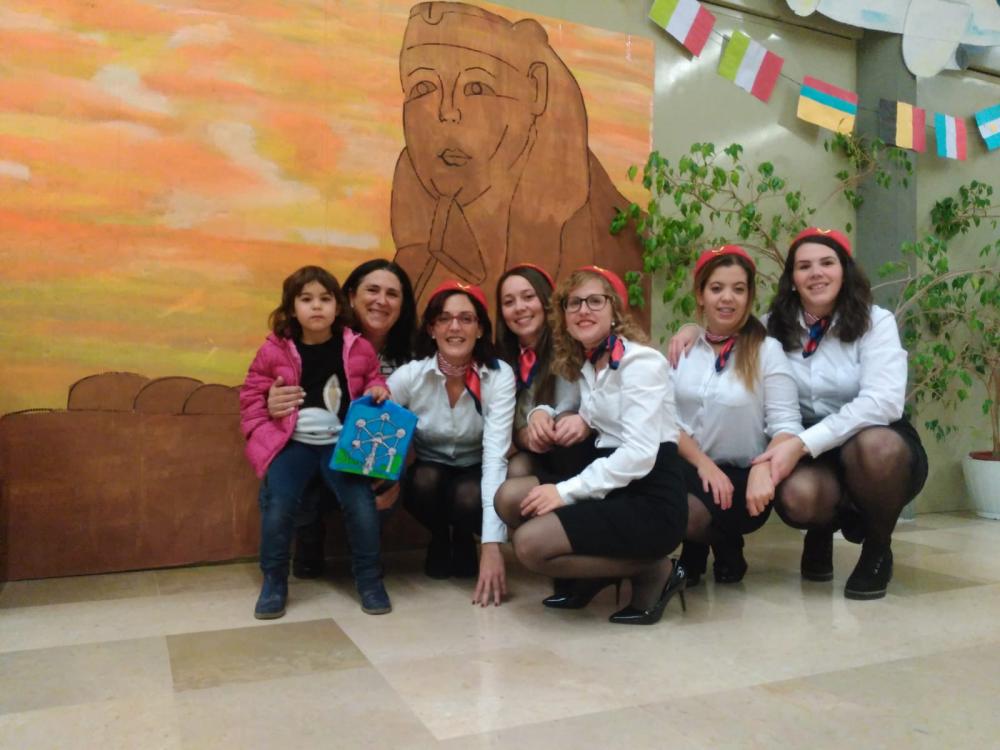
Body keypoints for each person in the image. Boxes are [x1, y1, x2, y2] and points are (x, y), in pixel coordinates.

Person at [670, 228, 928, 599]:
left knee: (875, 447)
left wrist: (801, 444)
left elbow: (884, 402)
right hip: (807, 444)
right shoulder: (773, 326)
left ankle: (877, 548)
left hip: (868, 436)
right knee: (798, 497)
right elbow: (727, 327)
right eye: (804, 266)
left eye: (827, 263)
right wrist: (692, 329)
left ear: (845, 271)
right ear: (792, 278)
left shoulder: (875, 322)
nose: (816, 273)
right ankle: (820, 530)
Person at [494, 266, 689, 625]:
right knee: (509, 498)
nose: (583, 310)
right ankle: (594, 576)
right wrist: (543, 412)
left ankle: (656, 570)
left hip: (650, 497)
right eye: (574, 303)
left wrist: (564, 492)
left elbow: (639, 455)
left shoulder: (641, 363)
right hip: (612, 485)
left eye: (595, 301)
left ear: (615, 310)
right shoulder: (589, 363)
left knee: (530, 545)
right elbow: (576, 409)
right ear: (564, 316)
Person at [239, 266, 392, 619]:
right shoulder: (274, 350)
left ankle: (370, 580)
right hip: (293, 443)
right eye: (306, 299)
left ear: (339, 306)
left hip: (343, 445)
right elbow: (251, 396)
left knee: (361, 505)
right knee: (278, 505)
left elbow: (374, 378)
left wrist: (378, 388)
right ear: (292, 309)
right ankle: (274, 581)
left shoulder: (357, 347)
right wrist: (262, 433)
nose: (317, 306)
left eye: (325, 299)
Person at [266, 260, 418, 578]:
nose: (381, 301)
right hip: (318, 445)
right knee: (290, 472)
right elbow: (270, 383)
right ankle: (309, 537)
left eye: (392, 294)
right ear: (348, 297)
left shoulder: (412, 357)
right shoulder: (312, 339)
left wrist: (397, 471)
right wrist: (272, 399)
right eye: (372, 290)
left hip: (375, 453)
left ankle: (366, 555)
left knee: (372, 483)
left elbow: (419, 421)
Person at [671, 247, 803, 587]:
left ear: (749, 296)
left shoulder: (767, 351)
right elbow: (665, 419)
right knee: (662, 490)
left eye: (738, 289)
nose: (727, 298)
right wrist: (703, 464)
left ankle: (716, 542)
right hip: (690, 466)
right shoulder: (684, 350)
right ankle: (705, 547)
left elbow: (787, 425)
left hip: (742, 478)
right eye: (716, 288)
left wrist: (763, 467)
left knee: (692, 511)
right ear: (700, 295)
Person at [386, 280, 516, 606]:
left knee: (468, 495)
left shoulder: (498, 375)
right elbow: (376, 426)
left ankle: (464, 536)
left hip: (477, 471)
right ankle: (439, 536)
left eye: (466, 318)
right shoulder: (410, 376)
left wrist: (491, 546)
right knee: (423, 482)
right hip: (430, 470)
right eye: (444, 318)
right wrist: (377, 483)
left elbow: (496, 456)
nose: (454, 327)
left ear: (480, 329)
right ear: (432, 329)